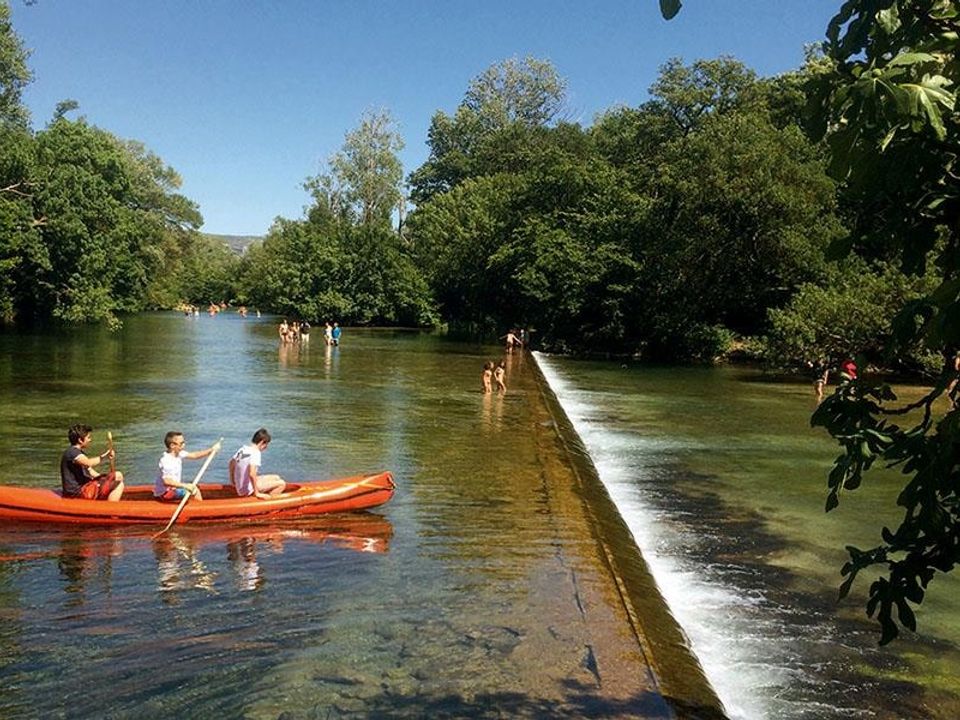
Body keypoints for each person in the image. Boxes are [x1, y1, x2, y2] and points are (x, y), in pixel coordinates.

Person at [60, 424, 124, 501]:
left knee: (118, 475)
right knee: (119, 485)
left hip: (86, 486)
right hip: (78, 492)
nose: (90, 440)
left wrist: (105, 478)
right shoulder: (72, 452)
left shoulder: (79, 453)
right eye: (88, 438)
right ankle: (110, 510)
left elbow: (90, 470)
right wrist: (104, 457)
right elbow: (88, 463)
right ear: (80, 440)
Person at [154, 431, 221, 502]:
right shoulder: (167, 461)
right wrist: (185, 486)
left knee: (193, 486)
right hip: (165, 494)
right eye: (181, 443)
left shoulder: (179, 454)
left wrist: (211, 450)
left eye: (183, 442)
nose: (184, 445)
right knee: (194, 490)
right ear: (172, 445)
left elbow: (195, 455)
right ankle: (200, 509)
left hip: (172, 489)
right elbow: (167, 481)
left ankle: (194, 504)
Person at [228, 428, 286, 499]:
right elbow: (252, 474)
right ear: (262, 442)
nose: (266, 448)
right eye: (266, 445)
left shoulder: (243, 450)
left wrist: (232, 480)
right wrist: (257, 493)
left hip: (240, 487)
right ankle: (268, 504)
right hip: (246, 490)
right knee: (282, 484)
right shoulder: (255, 453)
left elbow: (231, 463)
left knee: (276, 477)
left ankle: (265, 494)